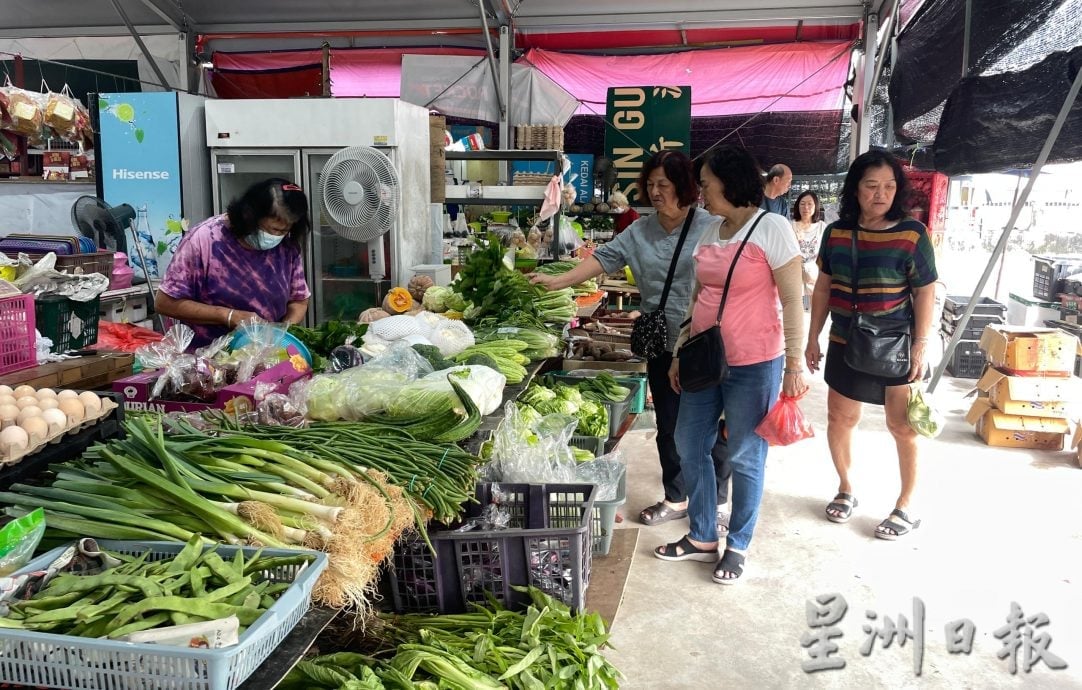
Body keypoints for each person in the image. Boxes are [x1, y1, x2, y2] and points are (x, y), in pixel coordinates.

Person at [530, 151, 734, 530]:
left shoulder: (711, 227)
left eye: (664, 184)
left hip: (705, 341)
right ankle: (676, 497)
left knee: (712, 422)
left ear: (684, 187)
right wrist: (556, 281)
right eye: (650, 184)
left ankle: (719, 500)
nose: (656, 192)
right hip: (662, 343)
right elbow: (603, 259)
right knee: (670, 424)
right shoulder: (639, 231)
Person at [655, 145, 807, 585]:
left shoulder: (772, 227)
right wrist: (680, 350)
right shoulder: (709, 231)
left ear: (730, 181)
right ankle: (702, 536)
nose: (701, 191)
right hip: (704, 360)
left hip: (755, 363)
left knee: (744, 454)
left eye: (706, 183)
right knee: (688, 443)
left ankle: (737, 544)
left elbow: (792, 300)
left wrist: (794, 364)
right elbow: (697, 297)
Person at [804, 150, 938, 540]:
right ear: (855, 189)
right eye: (871, 185)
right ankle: (846, 488)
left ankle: (905, 505)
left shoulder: (912, 233)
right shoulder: (836, 233)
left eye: (889, 186)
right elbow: (823, 287)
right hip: (844, 340)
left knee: (903, 426)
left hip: (894, 344)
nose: (881, 194)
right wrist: (812, 337)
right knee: (840, 419)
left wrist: (920, 344)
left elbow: (925, 290)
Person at [156, 178, 311, 349]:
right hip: (205, 355)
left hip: (265, 353)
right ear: (249, 216)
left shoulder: (286, 246)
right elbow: (164, 303)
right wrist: (228, 316)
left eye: (285, 230)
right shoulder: (204, 240)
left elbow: (299, 301)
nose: (277, 236)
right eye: (273, 229)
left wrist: (282, 331)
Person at [791, 190, 827, 311]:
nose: (806, 207)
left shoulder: (822, 227)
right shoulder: (790, 226)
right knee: (795, 308)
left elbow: (827, 253)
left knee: (816, 308)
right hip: (795, 274)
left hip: (816, 275)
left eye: (810, 204)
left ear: (816, 206)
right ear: (797, 206)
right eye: (802, 204)